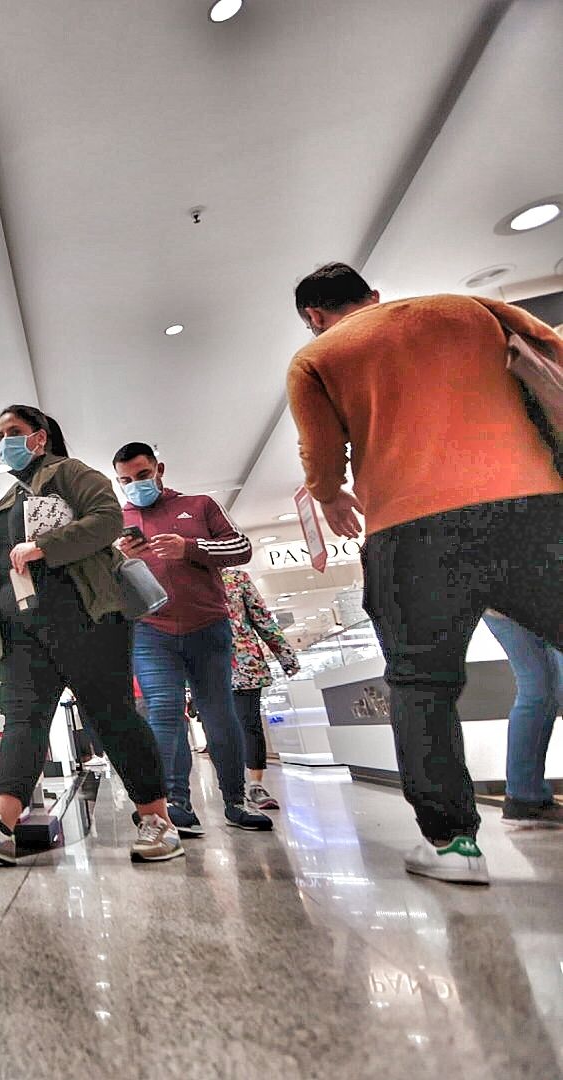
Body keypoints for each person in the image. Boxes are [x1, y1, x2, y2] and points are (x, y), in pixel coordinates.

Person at [288, 261, 563, 883]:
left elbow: (321, 453)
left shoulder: (319, 357)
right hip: (533, 509)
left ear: (314, 318)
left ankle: (454, 847)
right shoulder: (468, 308)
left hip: (410, 532)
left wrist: (328, 492)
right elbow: (551, 354)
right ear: (374, 296)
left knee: (420, 685)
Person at [0, 405, 183, 864]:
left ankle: (158, 820)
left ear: (40, 437)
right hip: (24, 629)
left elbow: (108, 518)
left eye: (14, 431)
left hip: (85, 616)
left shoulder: (68, 473)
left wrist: (44, 546)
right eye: (0, 434)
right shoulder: (8, 500)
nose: (6, 441)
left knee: (111, 717)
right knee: (24, 721)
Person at [113, 442, 273, 835]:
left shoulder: (200, 505)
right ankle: (175, 803)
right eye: (125, 481)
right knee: (164, 711)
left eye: (142, 475)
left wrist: (190, 547)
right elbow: (103, 583)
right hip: (150, 630)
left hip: (208, 626)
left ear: (159, 469)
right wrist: (115, 556)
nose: (135, 485)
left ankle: (235, 800)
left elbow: (241, 547)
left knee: (219, 712)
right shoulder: (116, 520)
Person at [221, 567, 300, 810]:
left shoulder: (236, 578)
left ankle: (255, 784)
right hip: (208, 664)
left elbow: (262, 618)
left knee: (249, 723)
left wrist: (285, 655)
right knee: (221, 728)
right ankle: (230, 788)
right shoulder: (184, 574)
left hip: (245, 661)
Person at [482, 613, 563, 828]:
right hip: (537, 591)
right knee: (537, 689)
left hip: (501, 597)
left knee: (537, 689)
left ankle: (524, 797)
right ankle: (524, 796)